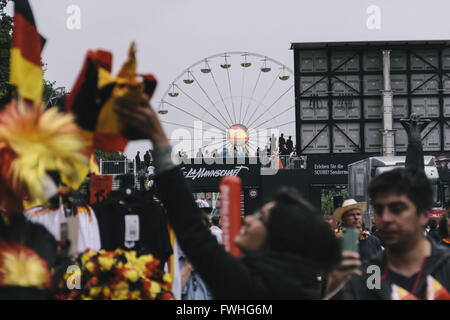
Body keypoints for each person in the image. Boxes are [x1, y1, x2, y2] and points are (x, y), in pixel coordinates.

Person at [114, 94, 342, 299]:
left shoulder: (255, 288)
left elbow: (193, 231)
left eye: (261, 217)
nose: (248, 219)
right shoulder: (300, 287)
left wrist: (158, 139)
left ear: (279, 237)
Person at [326, 168, 450, 299]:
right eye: (379, 210)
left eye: (397, 209)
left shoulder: (445, 267)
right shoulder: (372, 270)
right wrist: (333, 286)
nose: (385, 218)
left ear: (424, 215)